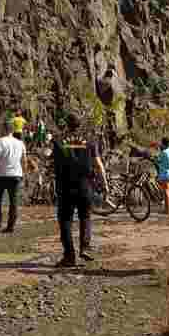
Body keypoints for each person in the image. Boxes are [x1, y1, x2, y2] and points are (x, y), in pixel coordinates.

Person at [52, 114, 109, 267]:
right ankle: (85, 247)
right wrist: (105, 184)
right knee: (85, 216)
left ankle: (69, 256)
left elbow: (53, 164)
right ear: (80, 124)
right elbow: (98, 163)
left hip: (65, 186)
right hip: (85, 185)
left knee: (65, 221)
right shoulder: (90, 141)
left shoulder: (58, 140)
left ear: (67, 124)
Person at [0, 122, 27, 233]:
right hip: (16, 174)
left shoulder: (0, 141)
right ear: (13, 130)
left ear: (3, 129)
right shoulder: (20, 143)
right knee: (14, 201)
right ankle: (11, 225)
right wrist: (24, 173)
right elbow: (24, 160)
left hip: (1, 174)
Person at [155, 137, 169, 215]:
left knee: (166, 191)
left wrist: (155, 157)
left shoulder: (163, 152)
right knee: (167, 190)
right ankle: (168, 208)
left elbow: (157, 160)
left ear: (163, 143)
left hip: (165, 173)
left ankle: (167, 210)